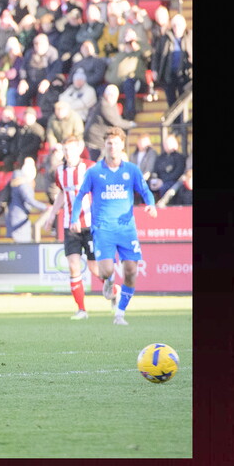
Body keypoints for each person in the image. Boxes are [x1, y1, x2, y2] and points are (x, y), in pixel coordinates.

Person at [69, 127, 157, 325]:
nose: (112, 146)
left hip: (126, 229)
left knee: (131, 271)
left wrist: (150, 204)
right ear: (105, 146)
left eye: (116, 143)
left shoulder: (132, 170)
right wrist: (75, 218)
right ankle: (108, 282)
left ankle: (120, 313)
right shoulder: (95, 172)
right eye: (109, 143)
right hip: (103, 228)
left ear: (122, 145)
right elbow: (80, 195)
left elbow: (145, 190)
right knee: (107, 270)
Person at [40, 137, 115, 319]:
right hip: (69, 226)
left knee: (94, 268)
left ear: (79, 150)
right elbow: (61, 195)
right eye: (65, 150)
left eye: (71, 150)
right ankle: (81, 309)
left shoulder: (89, 168)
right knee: (73, 266)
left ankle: (111, 287)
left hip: (89, 225)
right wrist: (52, 216)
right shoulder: (59, 171)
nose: (68, 154)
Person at [83, 84, 136, 161]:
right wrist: (131, 124)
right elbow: (116, 122)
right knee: (98, 161)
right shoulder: (104, 105)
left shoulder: (111, 105)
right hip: (95, 140)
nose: (112, 97)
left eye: (114, 96)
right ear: (105, 95)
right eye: (110, 95)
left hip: (100, 139)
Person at [5, 157, 47, 242]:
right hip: (18, 218)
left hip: (19, 216)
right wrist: (46, 207)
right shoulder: (22, 181)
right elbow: (29, 199)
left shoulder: (20, 179)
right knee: (21, 246)